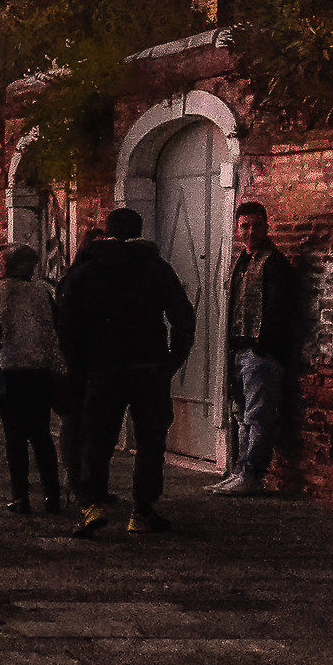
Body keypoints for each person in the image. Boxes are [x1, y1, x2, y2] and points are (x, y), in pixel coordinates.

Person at [57, 206, 198, 537]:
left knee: (97, 438)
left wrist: (78, 365)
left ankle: (92, 505)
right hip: (148, 366)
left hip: (102, 367)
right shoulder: (155, 267)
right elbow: (183, 316)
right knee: (151, 442)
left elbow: (66, 322)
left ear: (107, 231)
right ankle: (142, 511)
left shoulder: (88, 268)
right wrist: (171, 361)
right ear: (139, 229)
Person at [214, 201, 296, 496]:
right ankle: (240, 471)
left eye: (257, 226)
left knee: (257, 415)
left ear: (266, 226)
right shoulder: (244, 260)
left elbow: (279, 310)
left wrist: (264, 347)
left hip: (260, 353)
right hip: (239, 350)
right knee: (240, 414)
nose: (250, 232)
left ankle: (252, 475)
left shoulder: (274, 262)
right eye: (245, 226)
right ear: (237, 229)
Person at [0, 245, 66, 514]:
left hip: (7, 369)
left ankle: (20, 496)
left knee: (14, 435)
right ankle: (52, 495)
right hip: (38, 370)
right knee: (41, 434)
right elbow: (52, 331)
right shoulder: (43, 293)